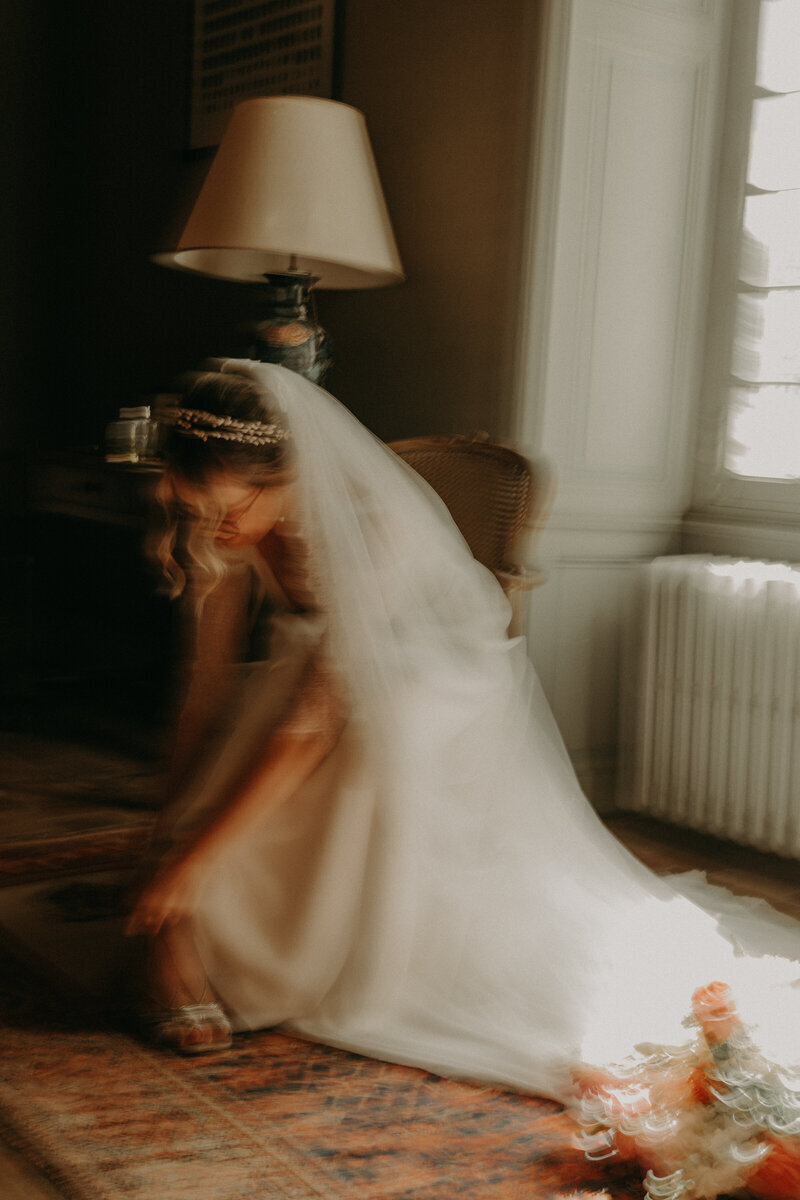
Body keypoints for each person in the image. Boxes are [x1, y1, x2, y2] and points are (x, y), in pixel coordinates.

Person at [127, 360, 800, 1200]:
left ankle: (226, 918)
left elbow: (315, 725)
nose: (218, 529)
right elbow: (207, 680)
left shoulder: (369, 528)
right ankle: (193, 933)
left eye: (232, 511)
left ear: (287, 478)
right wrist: (169, 828)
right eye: (200, 513)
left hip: (436, 688)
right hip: (328, 675)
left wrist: (191, 868)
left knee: (361, 730)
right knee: (253, 722)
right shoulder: (227, 525)